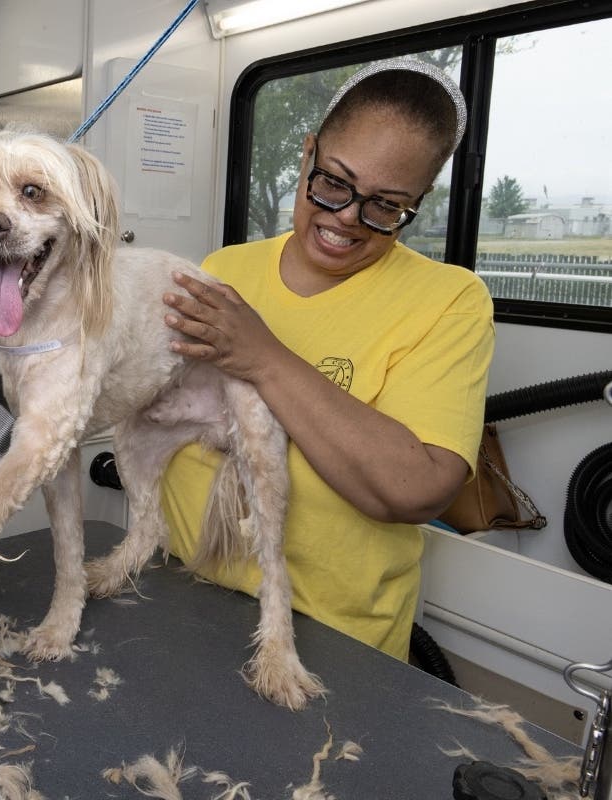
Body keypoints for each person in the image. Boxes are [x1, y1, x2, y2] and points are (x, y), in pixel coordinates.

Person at [160, 58, 494, 662]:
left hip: (330, 639)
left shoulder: (451, 301)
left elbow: (416, 489)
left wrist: (262, 357)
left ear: (417, 202)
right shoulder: (224, 270)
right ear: (308, 153)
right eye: (334, 183)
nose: (345, 217)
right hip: (187, 597)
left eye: (385, 207)